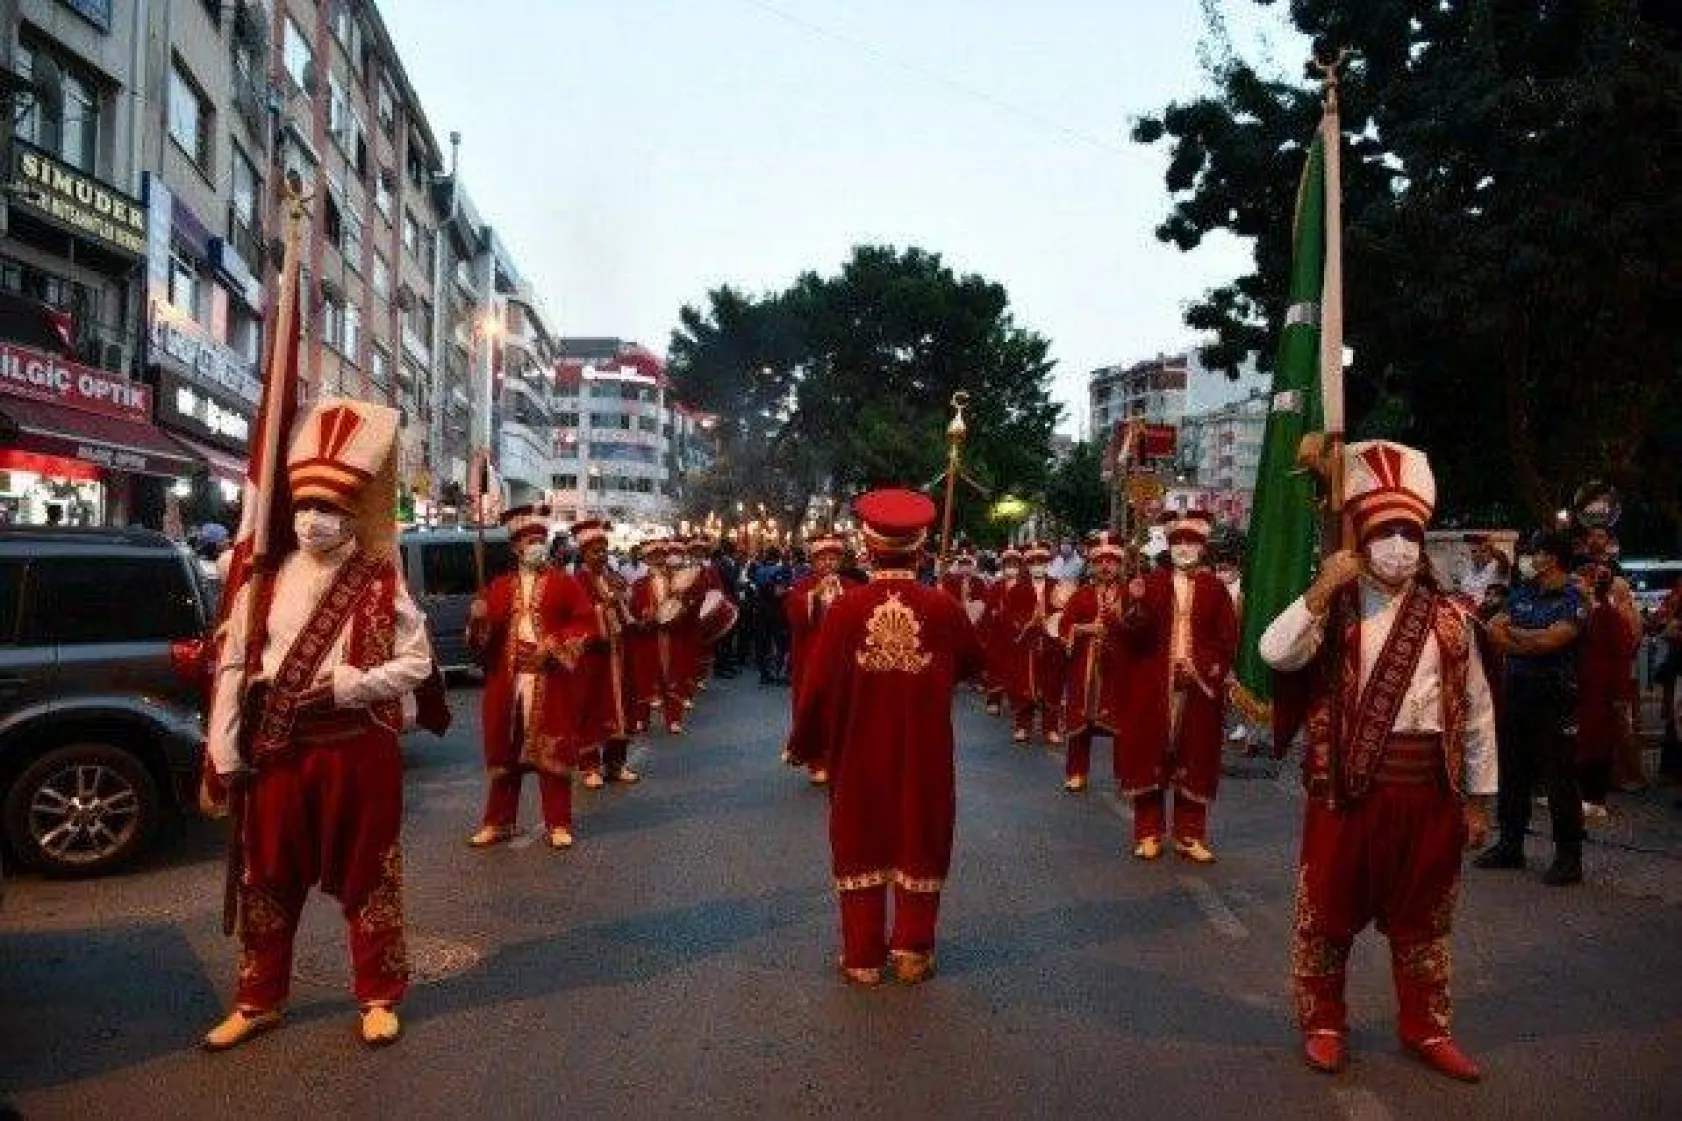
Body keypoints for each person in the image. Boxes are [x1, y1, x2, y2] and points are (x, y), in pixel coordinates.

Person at [1258, 439, 1496, 1082]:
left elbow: (1475, 714)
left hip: (1429, 793)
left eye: (1410, 534)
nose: (1399, 547)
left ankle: (1426, 1028)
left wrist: (1478, 800)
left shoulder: (1452, 621)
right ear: (1360, 539)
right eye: (1386, 532)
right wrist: (1318, 589)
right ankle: (1324, 1022)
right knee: (1327, 915)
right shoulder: (1334, 611)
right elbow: (1274, 654)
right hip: (1348, 789)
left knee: (1424, 921)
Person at [202, 399, 435, 1051]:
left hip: (356, 748)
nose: (312, 521)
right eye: (304, 508)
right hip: (278, 748)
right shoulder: (263, 581)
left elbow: (417, 661)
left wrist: (359, 683)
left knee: (369, 875)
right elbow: (234, 663)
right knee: (267, 875)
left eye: (328, 509)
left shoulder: (381, 583)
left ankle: (380, 995)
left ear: (352, 512)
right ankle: (258, 998)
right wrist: (223, 745)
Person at [786, 489, 984, 986]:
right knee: (921, 834)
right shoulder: (941, 607)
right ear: (920, 549)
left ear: (868, 549)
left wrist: (805, 741)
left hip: (858, 752)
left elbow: (816, 687)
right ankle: (913, 952)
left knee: (861, 839)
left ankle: (863, 957)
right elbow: (974, 665)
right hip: (925, 752)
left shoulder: (846, 611)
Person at [467, 504, 597, 850]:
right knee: (504, 753)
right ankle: (498, 821)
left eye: (541, 539)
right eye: (530, 541)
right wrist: (479, 620)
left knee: (551, 752)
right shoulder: (498, 587)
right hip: (507, 683)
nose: (537, 546)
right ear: (515, 548)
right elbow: (482, 642)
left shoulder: (564, 584)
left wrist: (552, 647)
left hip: (549, 678)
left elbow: (585, 623)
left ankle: (558, 822)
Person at [1118, 511, 1238, 863]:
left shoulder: (1217, 590)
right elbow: (1134, 635)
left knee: (1196, 756)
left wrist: (1200, 668)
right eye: (1178, 542)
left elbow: (1226, 639)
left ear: (1202, 547)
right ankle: (1148, 832)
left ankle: (1190, 834)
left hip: (1198, 686)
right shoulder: (1150, 582)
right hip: (1153, 685)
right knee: (1149, 754)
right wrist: (1136, 603)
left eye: (1191, 541)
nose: (1185, 548)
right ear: (1169, 546)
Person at [1475, 530, 1587, 885]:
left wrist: (1517, 639)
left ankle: (1568, 856)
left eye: (1535, 553)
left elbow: (1558, 639)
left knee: (1559, 779)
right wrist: (1531, 640)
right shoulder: (1523, 592)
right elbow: (1493, 630)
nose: (1530, 559)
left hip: (1555, 697)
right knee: (1514, 773)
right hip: (1518, 693)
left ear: (1551, 558)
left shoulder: (1573, 596)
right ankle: (1511, 845)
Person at [1059, 533, 1134, 792]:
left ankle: (1125, 775)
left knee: (1123, 723)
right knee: (1080, 723)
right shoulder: (1081, 596)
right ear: (1092, 564)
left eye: (1111, 561)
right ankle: (1077, 771)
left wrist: (1120, 622)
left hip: (1120, 669)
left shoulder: (1130, 595)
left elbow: (1141, 629)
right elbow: (1063, 627)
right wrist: (1083, 629)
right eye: (1100, 561)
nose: (1105, 566)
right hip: (1084, 666)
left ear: (1120, 564)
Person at [783, 535, 859, 783]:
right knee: (813, 706)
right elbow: (794, 615)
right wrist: (814, 595)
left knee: (842, 708)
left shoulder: (852, 586)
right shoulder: (801, 586)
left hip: (844, 660)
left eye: (833, 559)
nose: (827, 564)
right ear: (813, 562)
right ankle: (816, 761)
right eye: (822, 559)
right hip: (811, 658)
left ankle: (840, 759)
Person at [572, 519, 640, 788]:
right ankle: (589, 766)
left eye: (604, 550)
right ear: (584, 553)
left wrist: (625, 598)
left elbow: (627, 605)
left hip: (618, 651)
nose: (601, 555)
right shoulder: (577, 580)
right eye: (595, 551)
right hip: (593, 655)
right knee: (591, 707)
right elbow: (577, 616)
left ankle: (616, 763)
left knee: (620, 707)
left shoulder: (612, 576)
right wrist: (603, 608)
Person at [1002, 542, 1067, 746]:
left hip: (1051, 644)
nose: (1037, 565)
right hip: (1026, 643)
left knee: (1052, 685)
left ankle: (1051, 728)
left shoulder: (1058, 586)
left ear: (1047, 563)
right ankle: (1023, 725)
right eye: (1033, 562)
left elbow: (1065, 613)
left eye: (1041, 562)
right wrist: (1028, 622)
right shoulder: (1018, 589)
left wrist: (1051, 622)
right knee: (1024, 684)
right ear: (1028, 565)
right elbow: (1009, 615)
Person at [627, 540, 690, 735]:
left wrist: (678, 613)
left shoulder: (677, 581)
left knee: (673, 676)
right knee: (645, 676)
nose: (657, 559)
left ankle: (674, 719)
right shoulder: (638, 585)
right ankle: (641, 718)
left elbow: (685, 606)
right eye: (652, 556)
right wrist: (644, 617)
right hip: (648, 637)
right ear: (646, 559)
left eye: (660, 555)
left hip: (672, 635)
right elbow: (632, 611)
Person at [979, 547, 1023, 716]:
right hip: (998, 635)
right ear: (1003, 567)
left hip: (1018, 635)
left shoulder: (1025, 586)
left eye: (1014, 564)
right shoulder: (996, 586)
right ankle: (994, 700)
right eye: (1008, 564)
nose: (1011, 567)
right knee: (996, 667)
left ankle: (1016, 701)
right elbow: (988, 610)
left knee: (1017, 670)